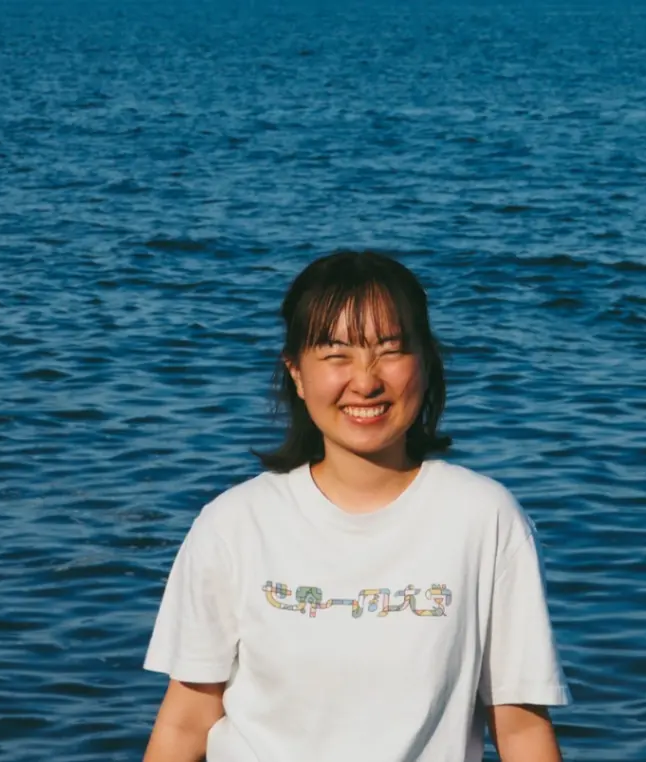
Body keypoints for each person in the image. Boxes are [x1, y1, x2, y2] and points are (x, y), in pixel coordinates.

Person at [143, 250, 571, 762]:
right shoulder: (234, 524)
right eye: (336, 355)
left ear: (426, 364)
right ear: (297, 373)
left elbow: (520, 729)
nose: (365, 382)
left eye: (390, 351)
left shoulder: (485, 519)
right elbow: (186, 721)